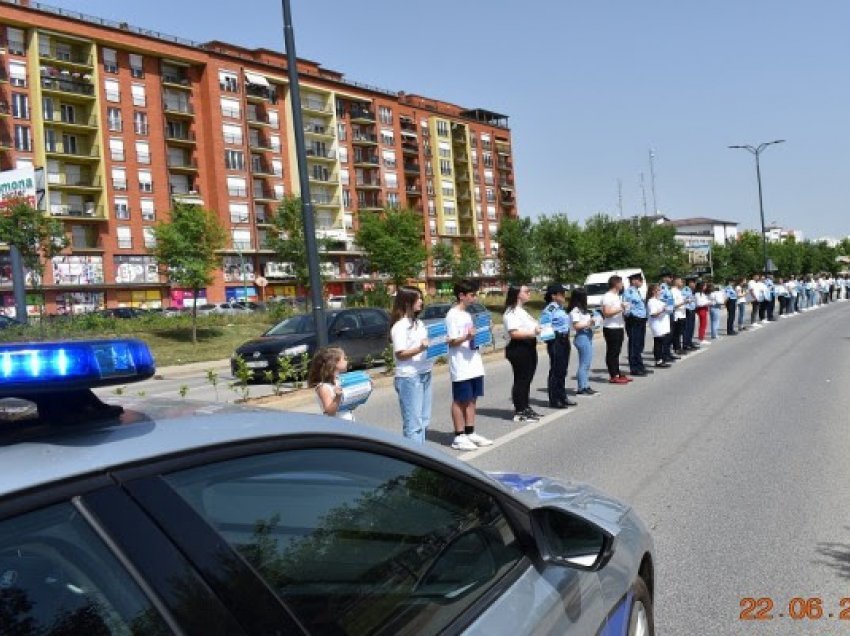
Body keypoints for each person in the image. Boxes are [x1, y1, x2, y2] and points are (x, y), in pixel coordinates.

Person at [445, 280, 493, 450]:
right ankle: (459, 436)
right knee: (460, 399)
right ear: (461, 296)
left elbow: (472, 336)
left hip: (473, 361)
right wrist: (466, 337)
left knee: (473, 398)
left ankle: (470, 431)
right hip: (461, 364)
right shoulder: (452, 315)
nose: (475, 298)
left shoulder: (467, 315)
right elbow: (451, 342)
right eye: (472, 295)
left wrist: (483, 334)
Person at [390, 285, 432, 444]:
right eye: (418, 298)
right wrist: (420, 348)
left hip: (425, 372)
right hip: (409, 377)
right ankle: (414, 463)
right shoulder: (400, 326)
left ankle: (422, 456)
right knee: (413, 425)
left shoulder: (419, 323)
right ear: (407, 302)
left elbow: (427, 345)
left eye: (421, 298)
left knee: (424, 420)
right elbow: (400, 354)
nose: (421, 301)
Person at [503, 284, 543, 422]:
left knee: (527, 379)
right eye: (526, 291)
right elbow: (514, 333)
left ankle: (525, 407)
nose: (529, 293)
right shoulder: (511, 312)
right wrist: (533, 332)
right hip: (518, 348)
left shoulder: (522, 311)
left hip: (528, 346)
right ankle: (520, 410)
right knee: (521, 379)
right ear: (517, 294)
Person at [542, 283, 575, 408]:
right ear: (553, 296)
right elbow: (545, 325)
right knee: (556, 370)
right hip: (556, 340)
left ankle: (562, 396)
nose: (564, 295)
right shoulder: (550, 309)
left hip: (564, 339)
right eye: (561, 294)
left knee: (563, 370)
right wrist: (551, 342)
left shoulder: (560, 308)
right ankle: (554, 399)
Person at [308, 347, 355, 421]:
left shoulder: (338, 381)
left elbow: (345, 406)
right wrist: (338, 397)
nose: (346, 361)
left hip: (348, 424)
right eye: (344, 359)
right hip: (338, 427)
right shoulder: (324, 388)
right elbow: (329, 413)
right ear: (334, 363)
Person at [601, 275, 631, 384]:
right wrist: (620, 308)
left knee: (617, 351)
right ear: (616, 284)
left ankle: (617, 372)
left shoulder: (616, 295)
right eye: (621, 283)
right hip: (611, 327)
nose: (622, 285)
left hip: (618, 326)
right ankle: (613, 375)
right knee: (612, 352)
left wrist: (623, 308)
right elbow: (607, 313)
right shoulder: (608, 296)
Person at [568, 288, 597, 396]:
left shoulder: (582, 310)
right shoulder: (575, 311)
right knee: (584, 364)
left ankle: (585, 385)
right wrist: (588, 323)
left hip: (587, 335)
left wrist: (593, 322)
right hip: (582, 337)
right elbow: (576, 326)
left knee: (587, 363)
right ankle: (581, 387)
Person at [623, 272, 649, 376]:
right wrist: (630, 317)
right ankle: (634, 368)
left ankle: (640, 365)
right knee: (634, 344)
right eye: (639, 280)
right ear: (633, 281)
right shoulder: (629, 292)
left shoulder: (636, 291)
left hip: (641, 319)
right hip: (634, 320)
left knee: (639, 344)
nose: (641, 282)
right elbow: (627, 307)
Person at [646, 284, 671, 368]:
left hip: (663, 324)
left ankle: (662, 358)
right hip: (657, 324)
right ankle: (658, 361)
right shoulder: (651, 301)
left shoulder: (659, 300)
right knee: (658, 342)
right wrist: (663, 310)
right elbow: (653, 314)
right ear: (653, 291)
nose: (660, 292)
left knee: (662, 342)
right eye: (659, 290)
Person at [682, 278, 697, 350]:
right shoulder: (685, 290)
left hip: (692, 309)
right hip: (688, 310)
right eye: (693, 282)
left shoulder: (691, 290)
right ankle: (686, 344)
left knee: (691, 328)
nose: (695, 284)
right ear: (690, 283)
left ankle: (689, 342)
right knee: (687, 328)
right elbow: (684, 299)